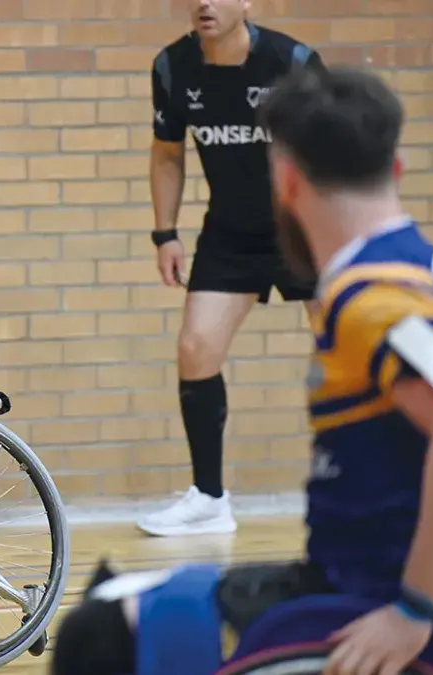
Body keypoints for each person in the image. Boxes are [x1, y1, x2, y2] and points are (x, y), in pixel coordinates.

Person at [52, 65, 433, 675]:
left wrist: (415, 611)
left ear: (284, 181)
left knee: (105, 637)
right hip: (342, 579)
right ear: (394, 170)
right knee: (128, 596)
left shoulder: (372, 295)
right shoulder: (418, 269)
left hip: (375, 607)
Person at [139, 0, 326, 537]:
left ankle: (388, 482)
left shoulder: (292, 61)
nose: (205, 4)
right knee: (196, 348)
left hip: (304, 230)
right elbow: (168, 153)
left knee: (348, 350)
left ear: (247, 3)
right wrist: (165, 232)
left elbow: (339, 150)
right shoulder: (173, 67)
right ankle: (209, 499)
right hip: (230, 232)